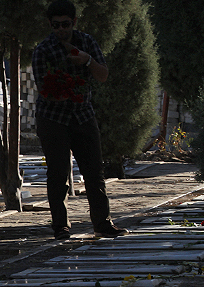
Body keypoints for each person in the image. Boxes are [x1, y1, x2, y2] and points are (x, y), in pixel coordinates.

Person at [33, 0, 128, 240]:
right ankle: (61, 225)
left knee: (94, 171)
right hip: (53, 117)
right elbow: (45, 87)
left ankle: (102, 223)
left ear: (74, 22)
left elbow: (103, 75)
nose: (61, 30)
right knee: (58, 172)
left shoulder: (86, 42)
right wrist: (64, 87)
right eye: (56, 25)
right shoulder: (44, 49)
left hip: (83, 114)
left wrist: (87, 60)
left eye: (65, 24)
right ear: (50, 25)